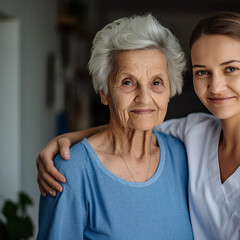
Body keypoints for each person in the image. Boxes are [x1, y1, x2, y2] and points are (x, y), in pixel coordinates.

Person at [36, 12, 240, 240]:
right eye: (202, 72)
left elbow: (141, 119)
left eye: (231, 69)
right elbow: (136, 124)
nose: (216, 86)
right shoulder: (193, 135)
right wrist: (70, 140)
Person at [36, 14, 193, 240]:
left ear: (170, 90)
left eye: (156, 83)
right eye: (128, 82)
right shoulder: (71, 171)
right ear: (104, 92)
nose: (145, 98)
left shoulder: (183, 156)